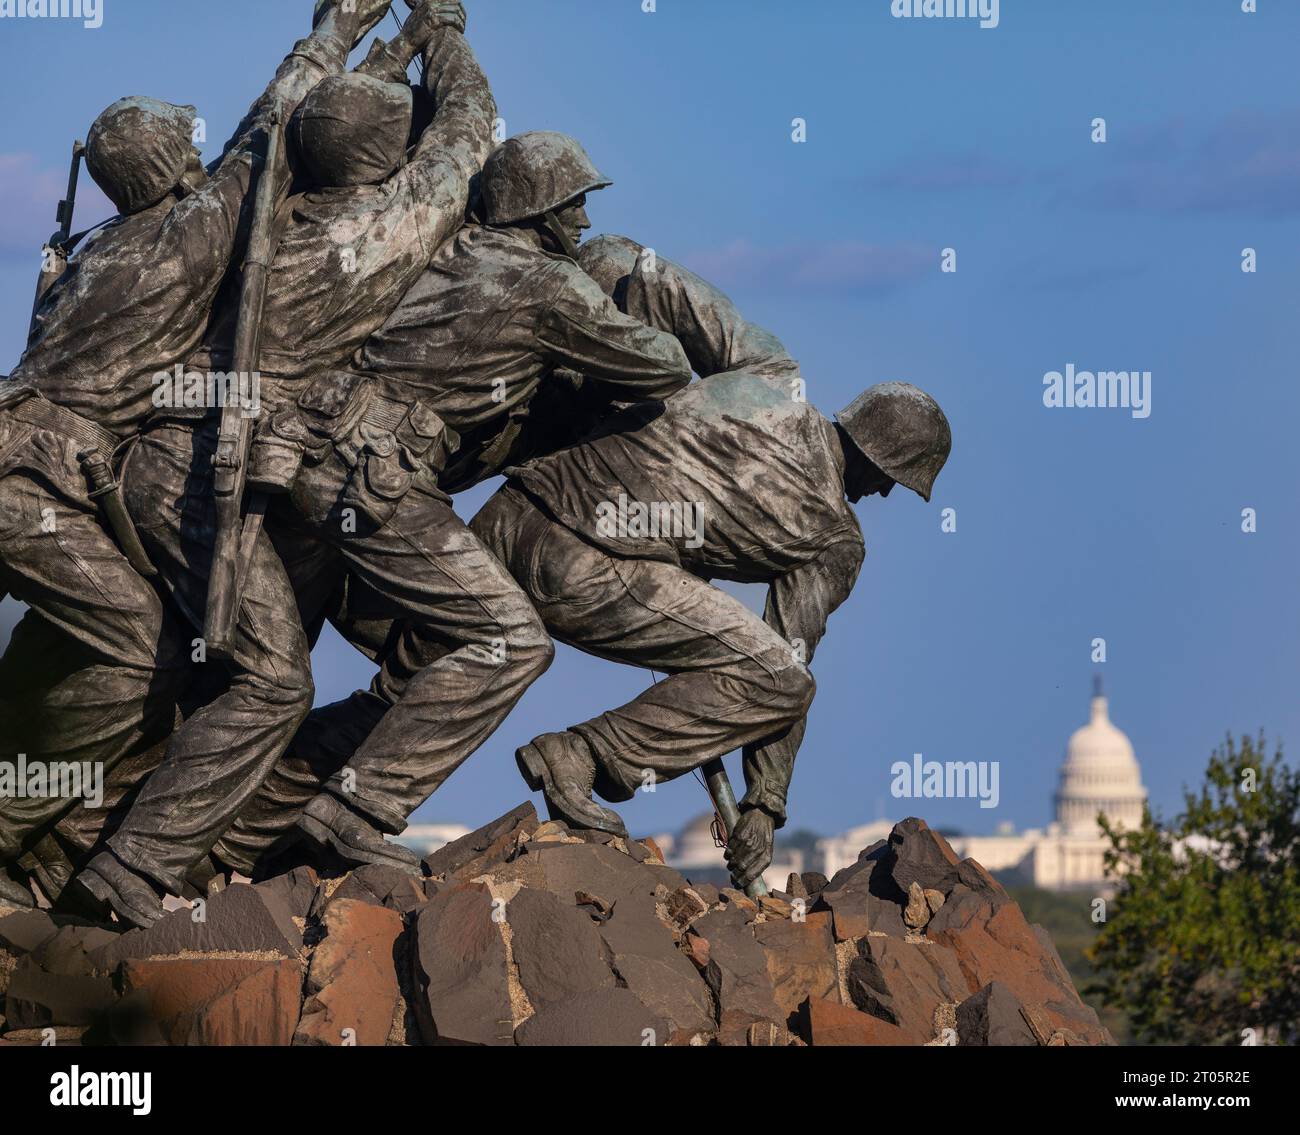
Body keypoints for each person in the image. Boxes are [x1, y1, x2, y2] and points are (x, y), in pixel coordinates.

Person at [209, 132, 693, 877]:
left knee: (412, 663)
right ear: (540, 211)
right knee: (511, 644)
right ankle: (356, 808)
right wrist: (605, 302)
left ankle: (237, 839)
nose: (585, 225)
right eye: (576, 207)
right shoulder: (548, 285)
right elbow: (663, 364)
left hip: (308, 461)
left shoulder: (449, 249)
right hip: (376, 477)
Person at [0, 0, 393, 911]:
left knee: (77, 645)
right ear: (173, 164)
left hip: (31, 467)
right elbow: (266, 137)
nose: (199, 152)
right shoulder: (181, 240)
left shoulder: (97, 254)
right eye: (188, 143)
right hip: (31, 480)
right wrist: (336, 31)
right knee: (141, 648)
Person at [470, 236, 952, 888]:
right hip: (578, 568)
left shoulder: (768, 370)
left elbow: (644, 273)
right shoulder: (837, 539)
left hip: (511, 511)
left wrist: (581, 278)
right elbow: (787, 666)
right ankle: (580, 756)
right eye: (897, 479)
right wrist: (764, 804)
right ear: (883, 464)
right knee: (781, 681)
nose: (889, 493)